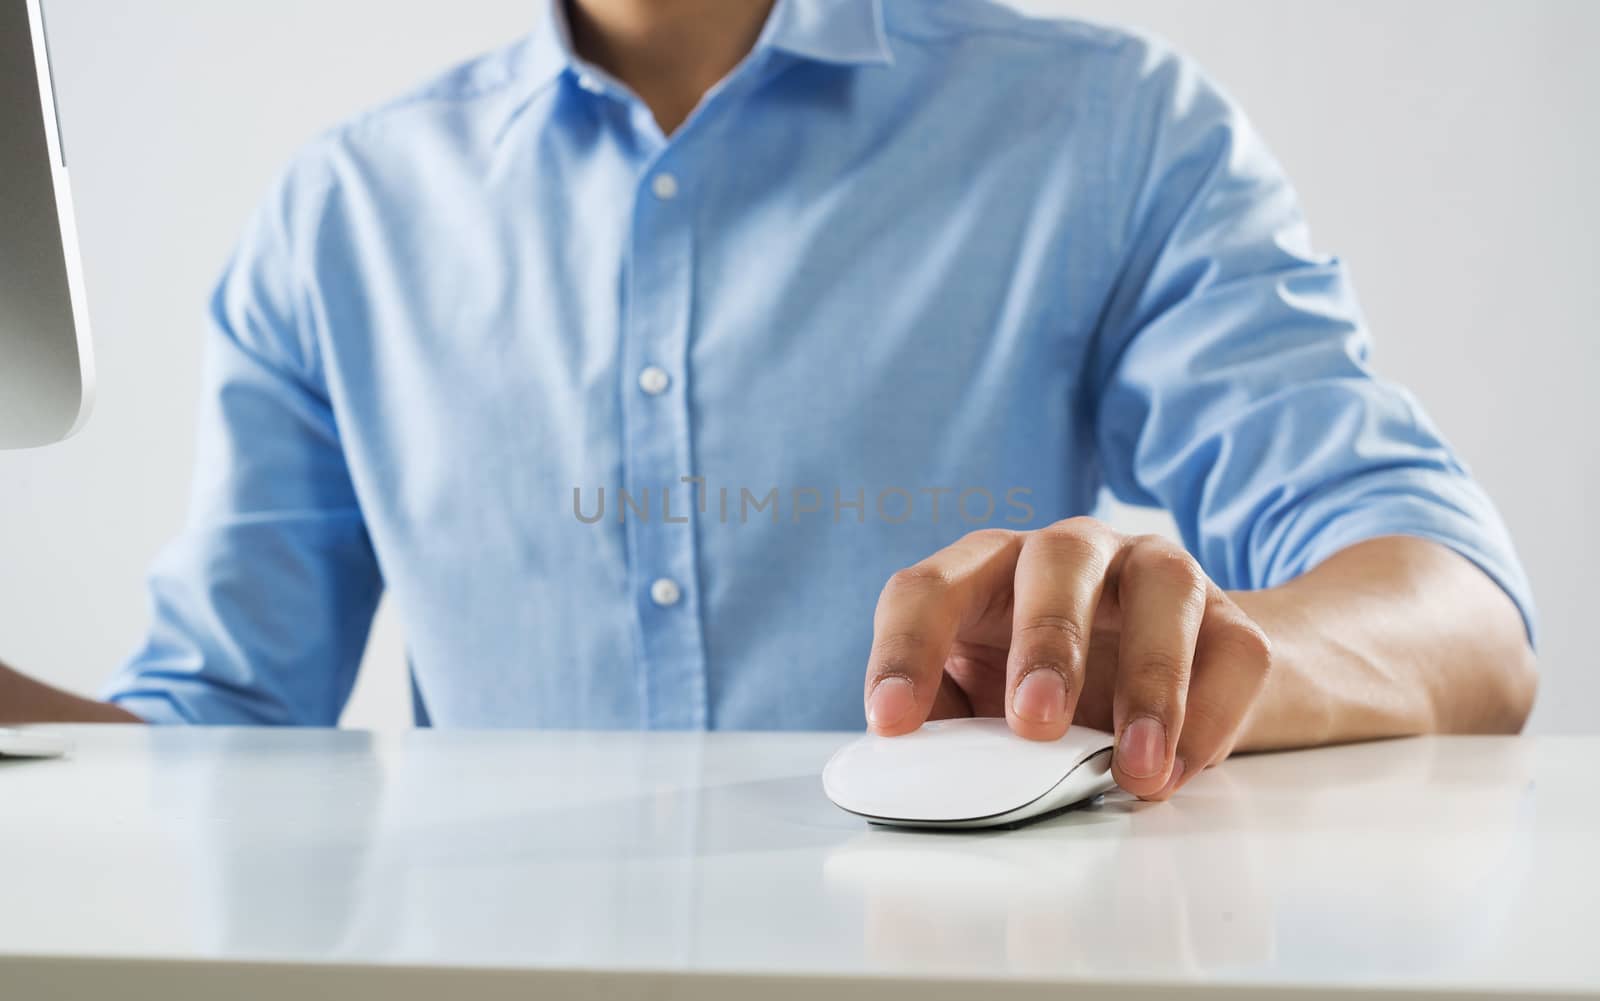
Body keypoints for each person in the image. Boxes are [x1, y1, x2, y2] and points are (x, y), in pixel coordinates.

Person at [0, 0, 1535, 802]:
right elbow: (206, 754)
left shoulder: (1109, 131)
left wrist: (1192, 658)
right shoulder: (339, 214)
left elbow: (1459, 618)